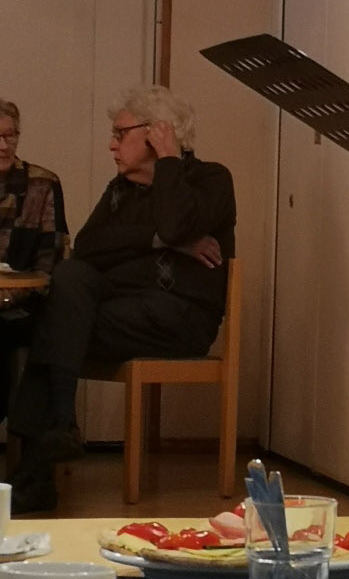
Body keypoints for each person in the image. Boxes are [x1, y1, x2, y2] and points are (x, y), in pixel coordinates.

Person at [9, 87, 236, 514]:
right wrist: (156, 241)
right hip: (119, 310)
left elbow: (175, 223)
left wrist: (168, 162)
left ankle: (38, 468)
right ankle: (58, 425)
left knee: (50, 321)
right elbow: (89, 247)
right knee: (69, 277)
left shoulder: (210, 180)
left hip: (179, 317)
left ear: (156, 133)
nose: (111, 144)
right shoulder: (121, 190)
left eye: (120, 133)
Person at [0, 99, 67, 426]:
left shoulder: (42, 184)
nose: (3, 146)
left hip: (23, 305)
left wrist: (8, 297)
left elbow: (50, 261)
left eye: (10, 136)